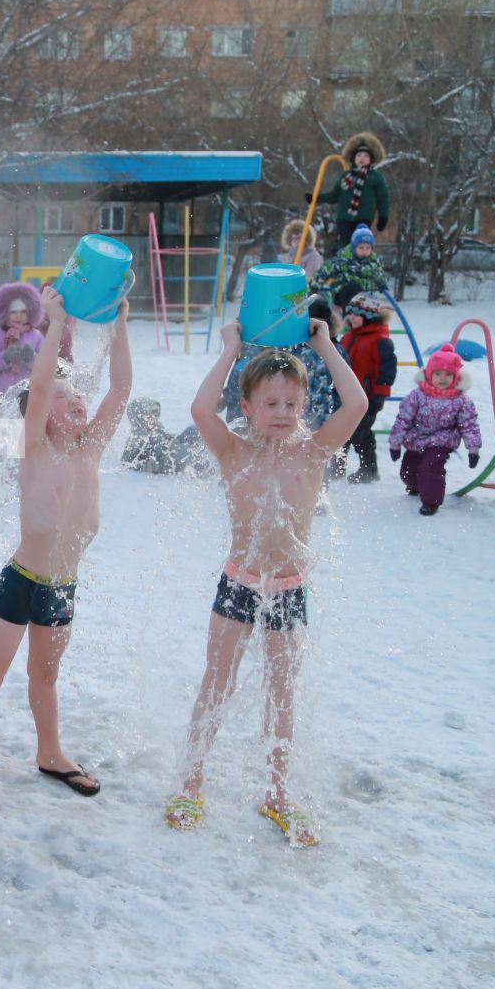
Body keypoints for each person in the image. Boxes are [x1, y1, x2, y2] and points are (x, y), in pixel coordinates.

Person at [167, 318, 367, 847]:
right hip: (239, 582)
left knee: (282, 692)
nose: (282, 414)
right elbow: (199, 410)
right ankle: (191, 784)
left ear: (303, 406)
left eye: (291, 404)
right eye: (270, 404)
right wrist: (231, 350)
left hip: (288, 587)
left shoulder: (314, 452)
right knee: (218, 682)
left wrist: (324, 343)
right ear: (249, 408)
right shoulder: (234, 451)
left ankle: (278, 794)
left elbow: (357, 405)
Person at [0, 288, 131, 815]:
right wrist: (55, 325)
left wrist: (118, 324)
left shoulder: (91, 449)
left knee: (44, 679)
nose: (75, 400)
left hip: (62, 588)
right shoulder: (35, 447)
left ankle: (50, 752)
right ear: (41, 413)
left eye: (79, 396)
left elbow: (120, 388)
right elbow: (44, 380)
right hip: (22, 582)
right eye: (63, 396)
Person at [389, 345, 483, 515]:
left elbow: (469, 424)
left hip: (443, 439)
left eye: (448, 375)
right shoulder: (416, 396)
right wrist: (395, 443)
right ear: (429, 374)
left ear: (456, 377)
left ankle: (431, 502)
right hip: (417, 436)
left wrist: (473, 448)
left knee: (431, 466)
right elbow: (403, 419)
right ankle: (415, 485)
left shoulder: (461, 400)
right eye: (438, 373)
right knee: (408, 471)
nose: (443, 378)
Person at [221, 297, 338, 433]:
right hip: (243, 420)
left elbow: (330, 397)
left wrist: (318, 424)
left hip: (299, 423)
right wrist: (225, 396)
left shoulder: (291, 353)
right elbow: (238, 378)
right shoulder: (249, 349)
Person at [336, 291, 396, 483]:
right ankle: (337, 467)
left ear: (370, 316)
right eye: (350, 313)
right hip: (346, 396)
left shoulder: (380, 340)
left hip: (368, 397)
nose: (351, 317)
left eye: (356, 314)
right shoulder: (348, 338)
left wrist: (379, 395)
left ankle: (368, 470)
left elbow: (387, 370)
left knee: (361, 434)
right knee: (341, 432)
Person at [308, 131, 390, 261]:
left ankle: (362, 266)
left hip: (363, 217)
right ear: (353, 158)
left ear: (371, 160)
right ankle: (345, 268)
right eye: (359, 155)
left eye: (365, 156)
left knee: (361, 245)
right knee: (346, 245)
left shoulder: (375, 177)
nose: (362, 158)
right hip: (345, 218)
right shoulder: (346, 177)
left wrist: (383, 217)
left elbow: (382, 198)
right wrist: (316, 198)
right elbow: (334, 196)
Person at [0, 282, 47, 411]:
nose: (18, 316)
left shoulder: (36, 336)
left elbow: (45, 365)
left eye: (23, 312)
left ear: (30, 312)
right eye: (14, 312)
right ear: (6, 313)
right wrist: (5, 357)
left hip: (28, 391)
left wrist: (31, 358)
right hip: (1, 392)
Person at [311, 224, 389, 311]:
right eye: (361, 248)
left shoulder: (373, 262)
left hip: (365, 295)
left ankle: (366, 319)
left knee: (369, 300)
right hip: (344, 292)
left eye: (368, 248)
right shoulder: (344, 260)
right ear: (354, 247)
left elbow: (379, 274)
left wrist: (382, 283)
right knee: (352, 288)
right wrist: (315, 285)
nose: (365, 251)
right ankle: (346, 313)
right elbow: (325, 270)